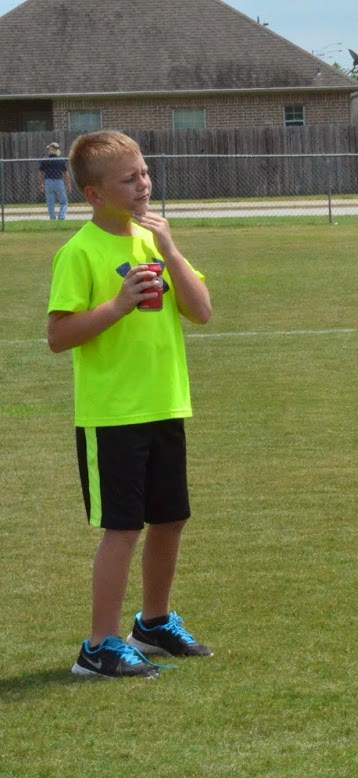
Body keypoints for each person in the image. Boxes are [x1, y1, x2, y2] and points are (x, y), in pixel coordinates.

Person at [48, 131, 214, 678]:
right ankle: (99, 646)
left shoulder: (154, 240)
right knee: (123, 528)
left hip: (165, 403)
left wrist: (171, 250)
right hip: (113, 413)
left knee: (171, 518)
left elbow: (201, 310)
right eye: (128, 178)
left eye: (144, 172)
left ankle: (154, 623)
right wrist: (117, 306)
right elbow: (59, 335)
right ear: (95, 194)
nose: (143, 184)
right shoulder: (80, 252)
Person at [39, 142, 71, 222]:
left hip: (48, 182)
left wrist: (41, 184)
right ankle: (61, 218)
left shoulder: (45, 159)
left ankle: (52, 219)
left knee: (50, 204)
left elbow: (41, 173)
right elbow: (66, 173)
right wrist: (68, 185)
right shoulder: (60, 160)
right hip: (59, 182)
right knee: (64, 202)